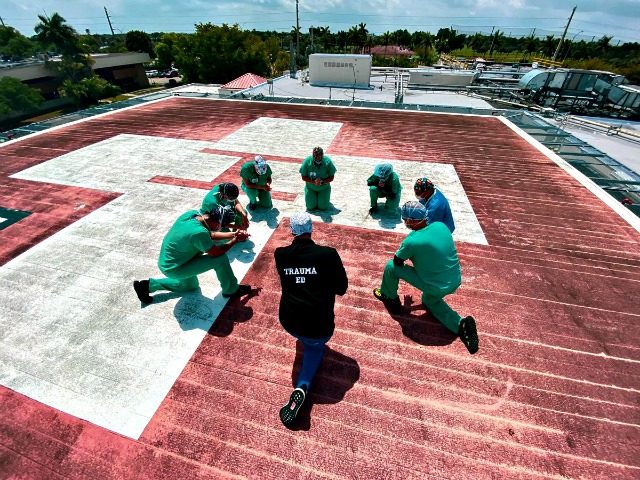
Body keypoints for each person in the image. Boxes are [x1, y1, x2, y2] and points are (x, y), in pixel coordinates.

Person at [372, 201, 478, 354]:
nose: (405, 222)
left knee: (390, 267)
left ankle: (390, 298)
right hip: (454, 280)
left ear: (411, 221)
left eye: (405, 219)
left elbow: (398, 261)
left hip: (434, 284)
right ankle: (461, 324)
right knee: (429, 300)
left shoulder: (411, 241)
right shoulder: (441, 226)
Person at [274, 212, 348, 426]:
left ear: (292, 231)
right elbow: (341, 288)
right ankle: (302, 385)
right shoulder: (328, 254)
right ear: (310, 230)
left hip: (288, 320)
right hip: (319, 326)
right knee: (314, 347)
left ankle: (306, 343)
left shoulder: (281, 254)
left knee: (303, 338)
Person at [133, 205, 251, 304]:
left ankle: (146, 286)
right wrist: (235, 241)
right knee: (220, 259)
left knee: (190, 286)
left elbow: (210, 234)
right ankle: (231, 290)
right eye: (222, 226)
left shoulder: (191, 215)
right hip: (175, 268)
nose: (222, 228)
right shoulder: (198, 233)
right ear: (218, 223)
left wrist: (234, 234)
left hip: (171, 261)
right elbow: (217, 252)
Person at [300, 146, 337, 211]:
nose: (317, 157)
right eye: (315, 155)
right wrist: (313, 182)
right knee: (310, 207)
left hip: (324, 188)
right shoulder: (307, 161)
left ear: (322, 155)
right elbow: (303, 176)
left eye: (319, 155)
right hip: (311, 188)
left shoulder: (327, 161)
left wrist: (322, 182)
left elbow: (332, 177)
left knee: (323, 207)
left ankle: (322, 198)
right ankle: (313, 197)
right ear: (313, 155)